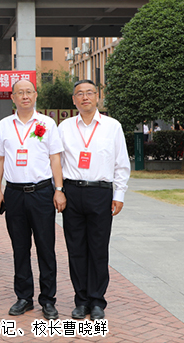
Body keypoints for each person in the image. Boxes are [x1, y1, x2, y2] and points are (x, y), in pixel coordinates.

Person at [0, 79, 65, 320]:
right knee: (20, 248)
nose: (24, 96)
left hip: (42, 193)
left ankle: (48, 300)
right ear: (12, 98)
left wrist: (59, 189)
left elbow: (55, 158)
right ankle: (24, 297)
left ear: (35, 95)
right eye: (20, 93)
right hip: (14, 194)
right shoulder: (4, 125)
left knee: (46, 247)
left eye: (28, 92)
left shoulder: (47, 123)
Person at [58, 79, 130, 321]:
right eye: (80, 93)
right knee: (76, 249)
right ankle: (81, 301)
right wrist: (58, 190)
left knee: (98, 249)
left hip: (100, 193)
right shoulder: (65, 127)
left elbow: (121, 163)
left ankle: (97, 301)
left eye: (89, 92)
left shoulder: (112, 126)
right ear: (74, 99)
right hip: (72, 193)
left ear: (97, 96)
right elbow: (56, 163)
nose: (85, 97)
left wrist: (119, 194)